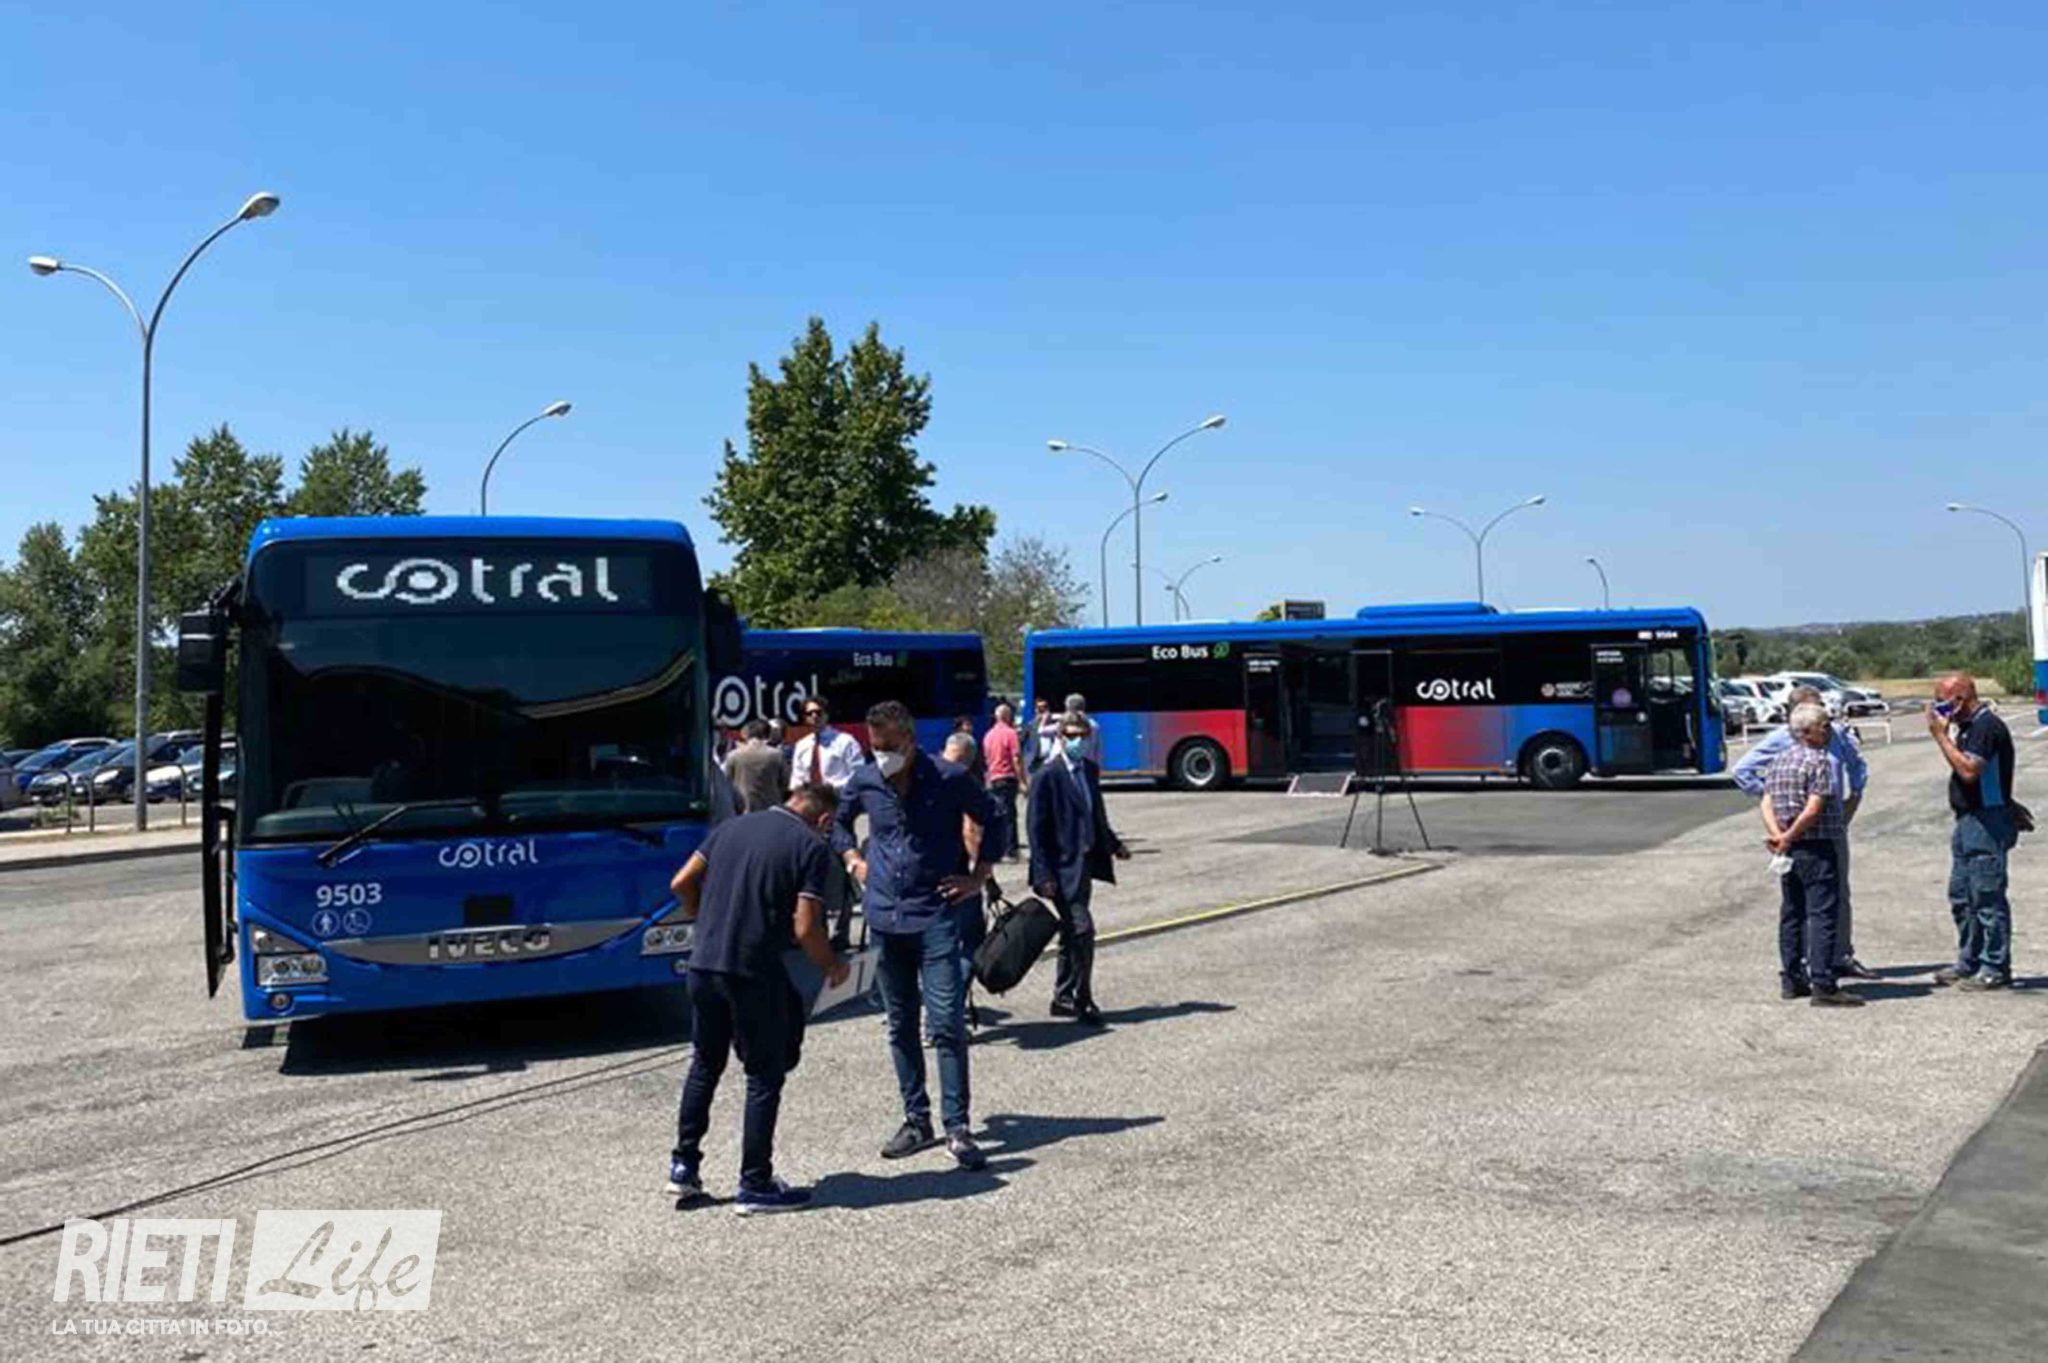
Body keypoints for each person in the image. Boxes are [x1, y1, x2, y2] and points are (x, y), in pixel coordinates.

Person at [835, 700, 1004, 1170]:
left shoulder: (948, 777)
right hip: (885, 919)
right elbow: (839, 824)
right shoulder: (866, 779)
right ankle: (917, 1119)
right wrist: (853, 860)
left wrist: (978, 876)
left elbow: (994, 815)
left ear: (909, 741)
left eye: (888, 747)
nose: (881, 755)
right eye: (875, 747)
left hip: (935, 917)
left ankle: (957, 1127)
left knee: (946, 1023)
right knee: (900, 1023)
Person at [667, 784, 850, 1213]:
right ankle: (755, 1182)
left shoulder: (731, 827)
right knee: (764, 1075)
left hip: (704, 964)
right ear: (824, 820)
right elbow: (806, 927)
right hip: (752, 970)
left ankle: (684, 1167)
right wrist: (831, 965)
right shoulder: (810, 846)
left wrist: (704, 918)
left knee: (705, 1063)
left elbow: (681, 882)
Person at [1731, 685, 1874, 979]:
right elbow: (1743, 772)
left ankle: (1838, 956)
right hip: (1801, 828)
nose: (1826, 718)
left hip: (1831, 825)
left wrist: (1855, 797)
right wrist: (1782, 807)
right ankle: (1814, 968)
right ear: (1799, 718)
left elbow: (1856, 765)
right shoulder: (1788, 745)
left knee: (1836, 893)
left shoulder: (1835, 736)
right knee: (1802, 904)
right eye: (1818, 712)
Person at [1028, 709, 1131, 1026]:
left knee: (1072, 931)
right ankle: (1082, 998)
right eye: (1071, 736)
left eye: (1082, 736)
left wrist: (1113, 844)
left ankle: (1063, 996)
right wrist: (1043, 874)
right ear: (1060, 738)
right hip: (1059, 869)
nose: (1077, 741)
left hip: (1083, 864)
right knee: (1083, 930)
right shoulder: (1047, 775)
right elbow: (1035, 829)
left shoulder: (1088, 770)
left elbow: (1095, 814)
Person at [1760, 703, 1863, 1007]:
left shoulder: (1780, 761)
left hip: (1790, 849)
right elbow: (1814, 808)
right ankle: (1823, 983)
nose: (1828, 731)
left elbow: (1766, 802)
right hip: (1816, 845)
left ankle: (1792, 978)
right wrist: (1789, 835)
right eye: (1824, 726)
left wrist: (1779, 836)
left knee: (1792, 912)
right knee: (1822, 914)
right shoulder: (1819, 761)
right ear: (1807, 732)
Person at [1927, 673, 2022, 991]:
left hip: (1986, 821)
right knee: (1962, 896)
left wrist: (1940, 736)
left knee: (1986, 895)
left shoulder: (1986, 727)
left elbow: (1969, 771)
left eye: (1941, 702)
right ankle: (1969, 960)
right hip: (1968, 819)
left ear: (1959, 699)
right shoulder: (1968, 728)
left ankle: (1995, 966)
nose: (1937, 709)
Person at [790, 697, 865, 792]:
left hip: (839, 798)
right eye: (809, 713)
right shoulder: (801, 745)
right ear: (805, 718)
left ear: (826, 715)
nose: (814, 716)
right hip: (811, 799)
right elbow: (796, 779)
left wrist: (831, 788)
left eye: (818, 712)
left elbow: (858, 775)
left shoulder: (846, 741)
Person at [983, 703, 1024, 862]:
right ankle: (1010, 851)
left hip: (993, 778)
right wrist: (1022, 780)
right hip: (1007, 777)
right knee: (1009, 815)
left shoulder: (988, 735)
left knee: (998, 814)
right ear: (1008, 716)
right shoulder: (1011, 733)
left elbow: (987, 758)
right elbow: (1016, 758)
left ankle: (998, 849)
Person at [723, 719, 790, 815]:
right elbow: (785, 783)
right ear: (768, 734)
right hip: (770, 809)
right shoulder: (777, 755)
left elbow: (727, 782)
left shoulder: (733, 756)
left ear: (745, 734)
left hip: (743, 810)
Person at [1063, 692, 1103, 764]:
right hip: (1089, 763)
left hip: (1073, 764)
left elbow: (1042, 731)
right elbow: (1098, 750)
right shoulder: (1094, 725)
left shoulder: (1064, 724)